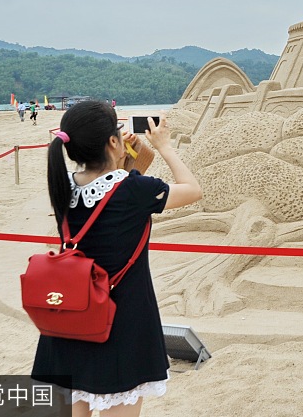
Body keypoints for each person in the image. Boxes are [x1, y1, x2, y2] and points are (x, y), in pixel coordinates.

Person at [32, 100, 202, 416]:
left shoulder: (63, 186)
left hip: (70, 317)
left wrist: (123, 158)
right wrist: (163, 146)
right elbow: (192, 189)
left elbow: (111, 195)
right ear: (112, 141)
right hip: (120, 324)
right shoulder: (135, 190)